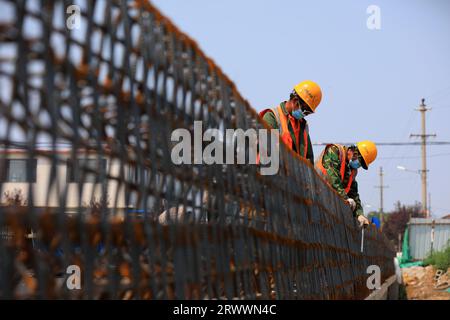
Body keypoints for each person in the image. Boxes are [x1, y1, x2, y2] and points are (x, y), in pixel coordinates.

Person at [259, 80, 322, 165]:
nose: (305, 115)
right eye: (305, 111)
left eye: (309, 113)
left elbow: (309, 161)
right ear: (295, 101)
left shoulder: (303, 127)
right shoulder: (272, 117)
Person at [316, 141, 378, 226]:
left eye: (362, 164)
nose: (359, 165)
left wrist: (360, 214)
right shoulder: (335, 151)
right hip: (315, 196)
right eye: (360, 161)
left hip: (327, 208)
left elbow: (354, 194)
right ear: (354, 151)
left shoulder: (351, 171)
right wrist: (345, 198)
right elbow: (333, 177)